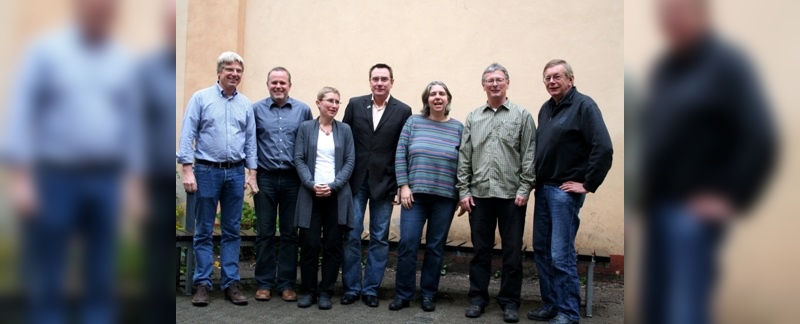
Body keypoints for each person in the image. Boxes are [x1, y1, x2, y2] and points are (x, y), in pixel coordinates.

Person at [2, 0, 140, 322]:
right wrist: (21, 180)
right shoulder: (46, 53)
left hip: (107, 179)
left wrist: (133, 184)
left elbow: (132, 124)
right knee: (50, 271)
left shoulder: (122, 60)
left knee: (102, 272)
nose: (101, 10)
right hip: (55, 177)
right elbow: (21, 112)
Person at [640, 0, 776, 323]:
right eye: (665, 16)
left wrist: (731, 193)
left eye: (678, 13)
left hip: (692, 215)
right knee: (656, 307)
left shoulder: (728, 65)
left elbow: (760, 136)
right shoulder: (666, 68)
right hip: (658, 206)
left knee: (683, 309)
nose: (670, 22)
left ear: (702, 15)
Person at [528, 59, 613, 324]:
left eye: (557, 77)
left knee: (560, 254)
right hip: (543, 189)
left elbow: (604, 147)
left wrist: (588, 184)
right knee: (541, 250)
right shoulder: (546, 108)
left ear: (570, 79)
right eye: (547, 78)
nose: (552, 82)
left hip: (564, 193)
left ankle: (568, 312)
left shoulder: (584, 106)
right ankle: (551, 304)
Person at [456, 63, 536, 323]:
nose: (494, 84)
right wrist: (464, 191)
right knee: (481, 251)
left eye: (499, 79)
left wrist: (525, 188)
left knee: (512, 254)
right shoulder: (473, 117)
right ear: (483, 85)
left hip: (512, 197)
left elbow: (529, 156)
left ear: (507, 83)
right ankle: (478, 298)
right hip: (479, 196)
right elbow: (464, 156)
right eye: (489, 80)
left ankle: (510, 301)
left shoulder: (522, 115)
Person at [178, 51, 258, 306]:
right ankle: (203, 283)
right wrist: (187, 169)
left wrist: (252, 172)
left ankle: (231, 283)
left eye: (238, 71)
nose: (234, 74)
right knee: (204, 230)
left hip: (235, 172)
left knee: (232, 231)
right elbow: (187, 133)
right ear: (219, 72)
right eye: (229, 69)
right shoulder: (201, 98)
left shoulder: (245, 104)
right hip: (207, 170)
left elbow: (251, 141)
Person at [341, 63, 412, 307]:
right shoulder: (355, 104)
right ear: (369, 81)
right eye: (375, 78)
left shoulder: (403, 110)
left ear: (392, 81)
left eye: (384, 79)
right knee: (351, 233)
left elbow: (403, 149)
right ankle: (351, 287)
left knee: (380, 237)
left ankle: (370, 288)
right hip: (355, 181)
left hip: (385, 182)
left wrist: (400, 184)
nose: (379, 83)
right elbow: (344, 139)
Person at [390, 81, 464, 312]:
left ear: (448, 99)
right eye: (433, 94)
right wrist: (403, 185)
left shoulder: (458, 128)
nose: (437, 97)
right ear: (427, 99)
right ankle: (403, 294)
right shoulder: (413, 122)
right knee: (408, 244)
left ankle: (428, 294)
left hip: (445, 197)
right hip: (415, 196)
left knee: (435, 247)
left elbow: (465, 163)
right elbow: (400, 154)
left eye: (442, 93)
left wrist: (462, 193)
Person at [252, 66, 312, 302]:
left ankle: (286, 283)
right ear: (268, 84)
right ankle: (264, 283)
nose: (278, 86)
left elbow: (308, 144)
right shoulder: (256, 109)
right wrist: (252, 173)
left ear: (290, 85)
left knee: (289, 233)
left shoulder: (303, 110)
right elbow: (250, 143)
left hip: (292, 180)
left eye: (282, 83)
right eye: (274, 82)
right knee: (265, 232)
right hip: (265, 178)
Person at [292, 87, 356, 310]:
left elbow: (350, 161)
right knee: (309, 244)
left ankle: (326, 292)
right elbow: (298, 159)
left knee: (332, 245)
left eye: (337, 102)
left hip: (336, 195)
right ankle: (308, 291)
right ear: (318, 103)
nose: (334, 105)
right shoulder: (305, 128)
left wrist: (333, 186)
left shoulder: (345, 130)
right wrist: (311, 184)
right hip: (310, 195)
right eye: (330, 100)